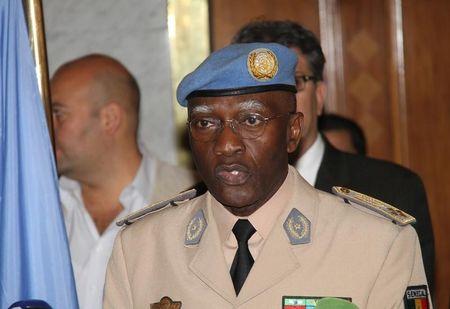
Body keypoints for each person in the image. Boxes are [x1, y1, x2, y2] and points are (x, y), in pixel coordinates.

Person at [103, 43, 431, 308]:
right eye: (205, 123)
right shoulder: (141, 248)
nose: (227, 144)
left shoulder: (378, 244)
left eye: (251, 120)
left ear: (292, 131)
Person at [232, 20, 435, 292]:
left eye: (292, 83)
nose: (272, 102)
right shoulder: (206, 198)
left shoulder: (391, 190)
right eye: (255, 89)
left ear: (319, 95)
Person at [50, 54, 198, 309]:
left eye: (58, 114)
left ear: (110, 119)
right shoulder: (32, 208)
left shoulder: (194, 200)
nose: (46, 127)